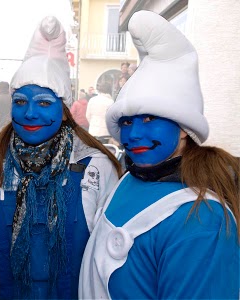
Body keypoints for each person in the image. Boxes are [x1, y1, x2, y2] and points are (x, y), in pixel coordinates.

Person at [79, 10, 239, 300]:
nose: (134, 134)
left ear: (183, 129)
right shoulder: (131, 178)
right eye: (127, 121)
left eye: (150, 119)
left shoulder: (203, 220)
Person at [0, 16, 121, 299]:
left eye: (44, 102)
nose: (30, 113)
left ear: (64, 109)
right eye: (20, 102)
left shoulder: (94, 168)